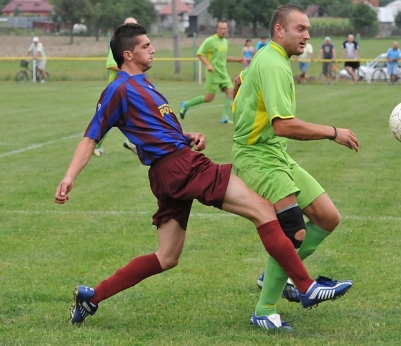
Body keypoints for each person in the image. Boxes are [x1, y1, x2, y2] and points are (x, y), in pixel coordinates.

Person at [55, 22, 349, 326]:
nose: (152, 48)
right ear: (127, 54)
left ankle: (91, 297)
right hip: (180, 166)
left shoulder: (145, 85)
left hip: (168, 170)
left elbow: (156, 132)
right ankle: (306, 287)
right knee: (264, 210)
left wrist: (186, 136)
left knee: (167, 257)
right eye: (145, 45)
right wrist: (69, 177)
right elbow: (91, 137)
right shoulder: (120, 88)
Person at [232, 4, 359, 330]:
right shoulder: (274, 64)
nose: (306, 35)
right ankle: (265, 310)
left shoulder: (267, 56)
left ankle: (275, 275)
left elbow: (240, 80)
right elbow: (284, 125)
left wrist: (241, 95)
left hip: (277, 155)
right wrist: (334, 133)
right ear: (279, 30)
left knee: (328, 217)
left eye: (308, 29)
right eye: (300, 29)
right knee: (295, 232)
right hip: (258, 157)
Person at [179, 21, 243, 124]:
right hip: (213, 74)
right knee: (209, 98)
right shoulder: (210, 41)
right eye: (221, 28)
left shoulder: (225, 42)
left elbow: (223, 57)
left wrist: (238, 60)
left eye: (225, 29)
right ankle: (186, 104)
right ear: (217, 29)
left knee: (230, 92)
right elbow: (200, 54)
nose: (223, 31)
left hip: (223, 73)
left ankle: (225, 118)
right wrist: (208, 65)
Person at [94, 17, 138, 157]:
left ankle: (132, 142)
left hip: (131, 88)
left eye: (134, 25)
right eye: (129, 25)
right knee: (109, 119)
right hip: (117, 88)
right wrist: (129, 68)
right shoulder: (118, 45)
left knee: (135, 116)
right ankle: (96, 146)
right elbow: (110, 65)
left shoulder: (135, 45)